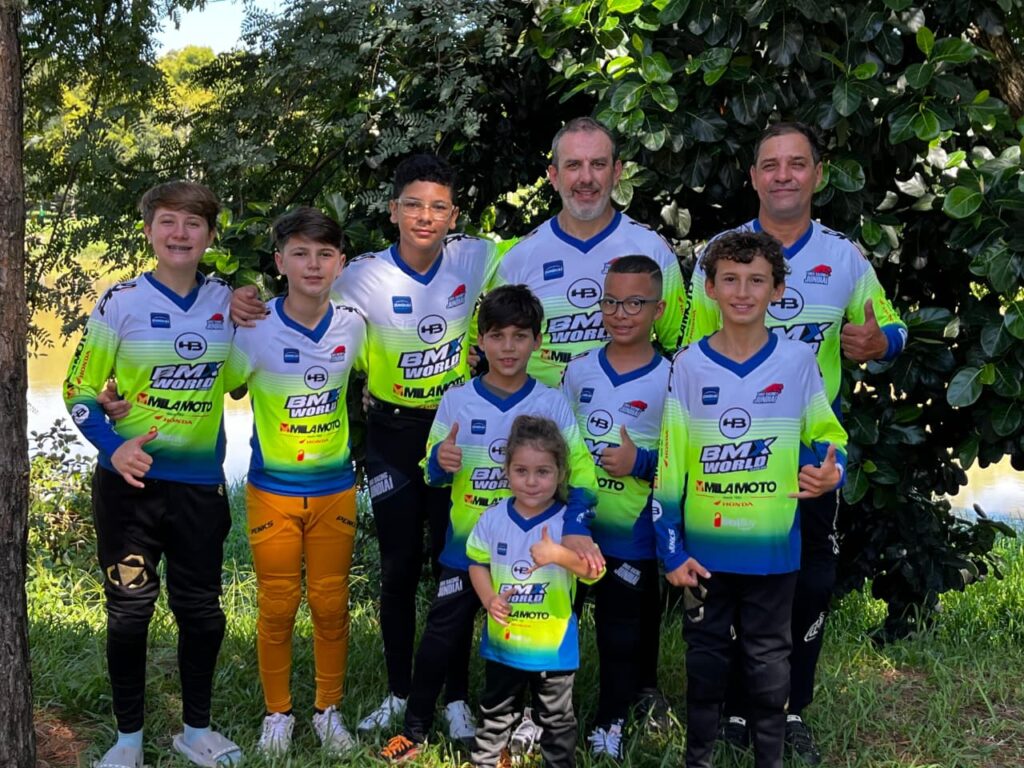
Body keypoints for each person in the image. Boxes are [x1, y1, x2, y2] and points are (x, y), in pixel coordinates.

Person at [229, 154, 500, 737]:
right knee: (398, 567)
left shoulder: (477, 257)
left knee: (455, 562)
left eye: (438, 207)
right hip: (393, 436)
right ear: (393, 210)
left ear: (454, 215)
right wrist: (236, 297)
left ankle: (455, 696)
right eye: (413, 204)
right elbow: (299, 300)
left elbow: (532, 269)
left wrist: (488, 345)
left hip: (457, 432)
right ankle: (399, 691)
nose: (425, 216)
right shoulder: (357, 276)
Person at [684, 122, 907, 765]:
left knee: (809, 583)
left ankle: (788, 709)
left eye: (797, 163)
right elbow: (690, 357)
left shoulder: (844, 258)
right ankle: (730, 708)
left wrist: (880, 343)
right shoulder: (718, 256)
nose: (784, 175)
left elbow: (889, 329)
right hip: (728, 450)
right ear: (753, 177)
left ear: (817, 174)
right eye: (771, 164)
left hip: (809, 452)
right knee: (727, 579)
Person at [378, 284, 601, 762]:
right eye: (497, 336)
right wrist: (440, 461)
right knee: (441, 634)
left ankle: (530, 726)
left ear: (537, 341)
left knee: (531, 641)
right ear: (480, 341)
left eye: (520, 336)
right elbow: (430, 470)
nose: (508, 347)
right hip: (470, 548)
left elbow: (583, 475)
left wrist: (578, 528)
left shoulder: (552, 403)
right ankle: (415, 729)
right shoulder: (458, 400)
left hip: (535, 555)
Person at [63, 181, 241, 768]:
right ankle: (128, 741)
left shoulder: (231, 304)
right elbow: (78, 390)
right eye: (168, 221)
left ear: (210, 236)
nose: (180, 234)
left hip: (198, 487)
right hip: (128, 490)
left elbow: (247, 375)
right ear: (148, 231)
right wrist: (113, 448)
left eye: (193, 224)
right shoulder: (120, 302)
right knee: (129, 612)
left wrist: (253, 303)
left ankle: (197, 731)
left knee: (201, 612)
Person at [655, 231, 849, 768]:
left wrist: (832, 471)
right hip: (703, 554)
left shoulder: (798, 362)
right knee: (704, 661)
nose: (743, 292)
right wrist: (671, 549)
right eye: (731, 280)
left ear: (778, 290)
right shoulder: (688, 365)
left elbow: (827, 436)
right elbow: (670, 467)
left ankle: (770, 759)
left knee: (769, 663)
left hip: (772, 550)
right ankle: (698, 759)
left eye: (756, 280)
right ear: (711, 289)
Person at [219, 208, 367, 755]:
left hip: (334, 490)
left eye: (324, 254)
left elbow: (390, 375)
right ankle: (277, 714)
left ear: (340, 263)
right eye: (300, 253)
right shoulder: (254, 328)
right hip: (273, 491)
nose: (313, 264)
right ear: (280, 262)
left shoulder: (355, 324)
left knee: (330, 605)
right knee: (277, 606)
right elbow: (209, 387)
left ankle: (329, 711)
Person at [560, 255, 671, 759]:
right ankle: (546, 714)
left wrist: (639, 462)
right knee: (557, 622)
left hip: (633, 533)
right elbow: (556, 445)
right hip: (576, 527)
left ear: (658, 309)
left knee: (619, 632)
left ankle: (610, 722)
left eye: (634, 303)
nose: (620, 313)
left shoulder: (673, 377)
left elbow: (688, 462)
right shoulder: (579, 370)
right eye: (611, 302)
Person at [488, 117, 687, 388]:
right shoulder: (519, 258)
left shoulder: (652, 250)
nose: (586, 178)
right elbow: (495, 353)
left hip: (629, 411)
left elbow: (682, 351)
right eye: (573, 165)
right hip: (539, 413)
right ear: (554, 176)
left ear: (616, 173)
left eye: (598, 164)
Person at [467, 415, 605, 768]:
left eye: (542, 472)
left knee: (557, 722)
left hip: (553, 649)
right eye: (521, 471)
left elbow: (594, 571)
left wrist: (557, 555)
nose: (531, 481)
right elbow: (476, 562)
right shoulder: (492, 518)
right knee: (495, 714)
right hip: (504, 643)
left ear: (560, 474)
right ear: (507, 472)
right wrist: (488, 599)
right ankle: (484, 761)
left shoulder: (568, 525)